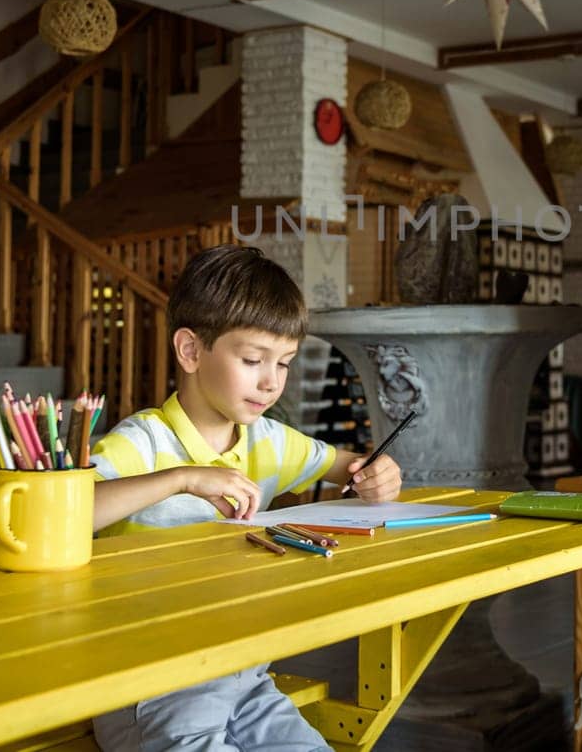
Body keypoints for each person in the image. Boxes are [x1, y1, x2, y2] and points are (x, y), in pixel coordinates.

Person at [89, 244, 402, 752]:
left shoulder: (269, 442)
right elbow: (68, 511)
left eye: (284, 363)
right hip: (150, 688)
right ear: (190, 351)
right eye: (253, 359)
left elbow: (352, 466)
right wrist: (183, 479)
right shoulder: (142, 442)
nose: (271, 382)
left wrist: (375, 475)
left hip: (246, 678)